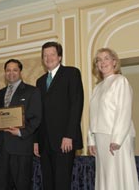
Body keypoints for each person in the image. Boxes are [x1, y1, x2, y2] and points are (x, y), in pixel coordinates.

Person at [87, 48, 139, 190]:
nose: (102, 62)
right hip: (100, 138)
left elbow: (124, 111)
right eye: (99, 60)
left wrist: (117, 139)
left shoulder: (120, 81)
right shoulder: (97, 88)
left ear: (114, 62)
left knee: (118, 176)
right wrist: (91, 139)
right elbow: (93, 115)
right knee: (105, 177)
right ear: (96, 65)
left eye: (106, 58)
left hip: (116, 139)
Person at [34, 41, 84, 190]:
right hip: (44, 142)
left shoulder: (71, 73)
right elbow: (39, 113)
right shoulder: (40, 81)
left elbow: (76, 105)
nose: (49, 58)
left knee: (62, 183)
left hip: (64, 141)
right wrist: (36, 141)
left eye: (52, 54)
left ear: (60, 56)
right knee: (48, 183)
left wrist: (69, 135)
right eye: (45, 55)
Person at [0, 59, 42, 190]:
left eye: (15, 70)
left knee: (22, 186)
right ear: (5, 72)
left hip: (21, 147)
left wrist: (21, 132)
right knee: (1, 186)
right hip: (1, 149)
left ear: (20, 72)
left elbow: (37, 118)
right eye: (8, 70)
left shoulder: (32, 91)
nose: (11, 73)